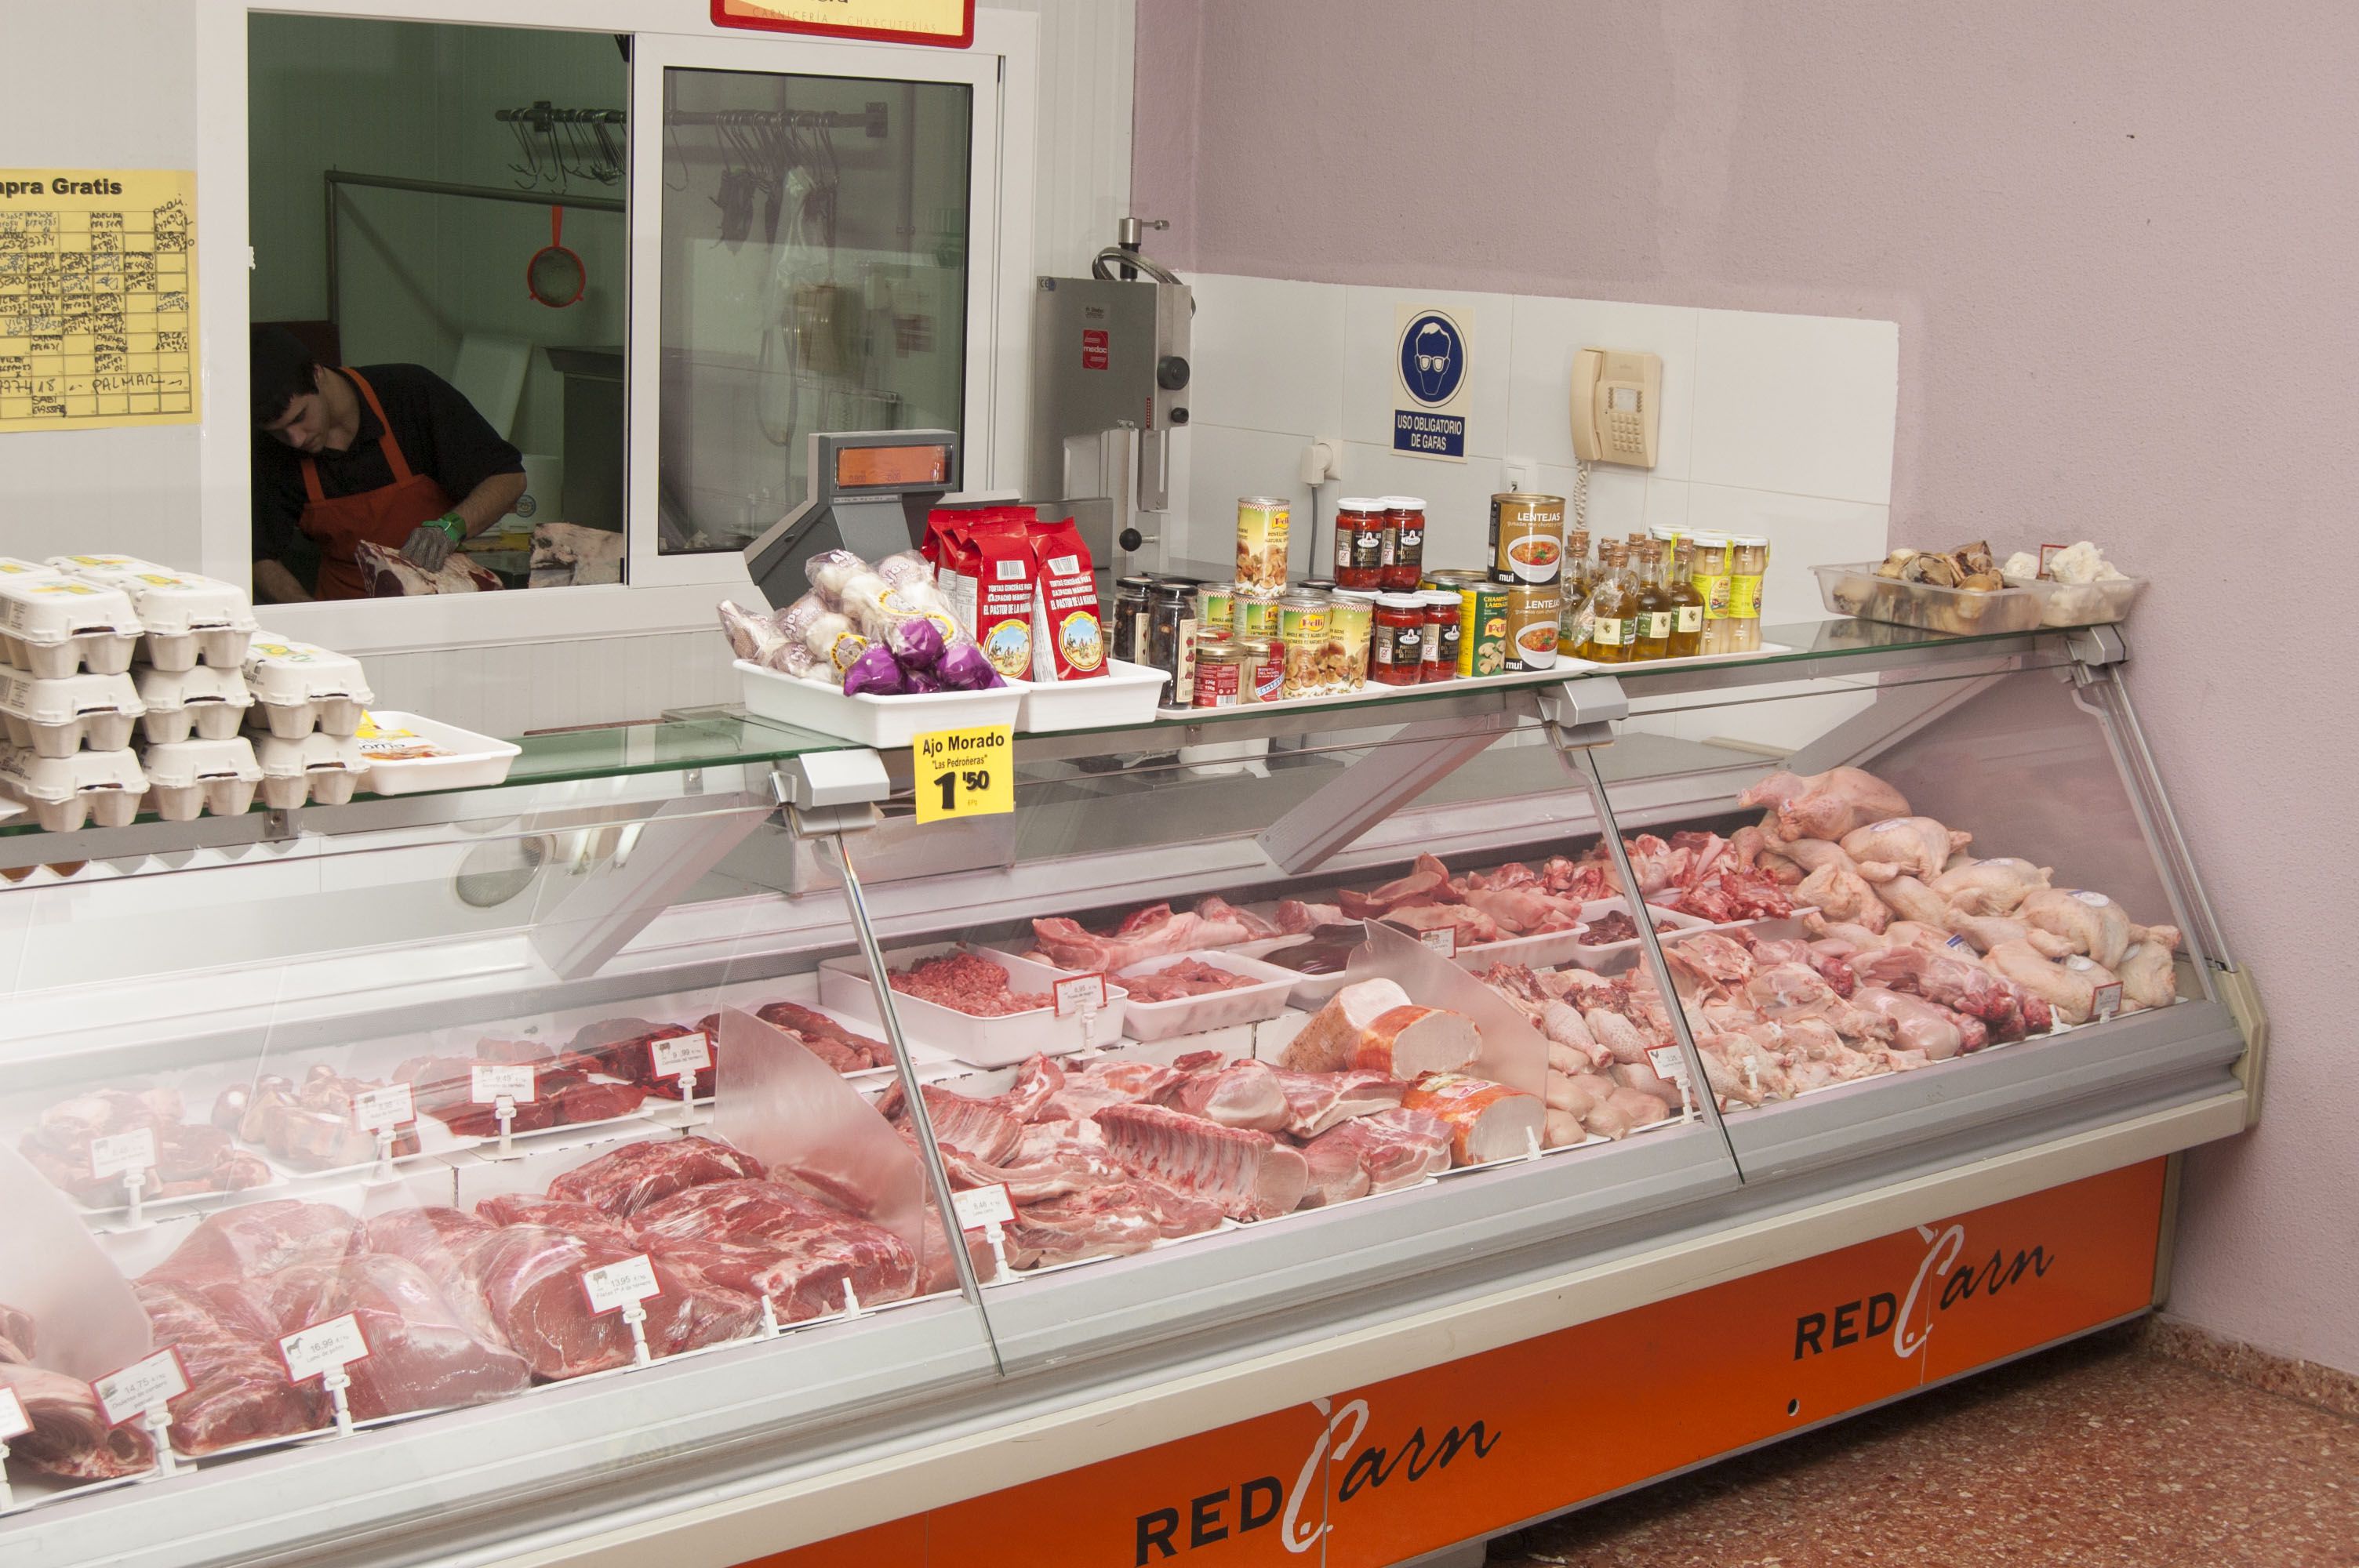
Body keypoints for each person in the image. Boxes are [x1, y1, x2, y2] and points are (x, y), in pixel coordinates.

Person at [249, 325, 527, 602]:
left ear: (316, 372)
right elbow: (258, 556)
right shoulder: (270, 450)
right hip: (345, 611)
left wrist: (449, 528)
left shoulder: (408, 393)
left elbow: (508, 478)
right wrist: (309, 614)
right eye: (279, 432)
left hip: (438, 601)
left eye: (300, 417)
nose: (295, 439)